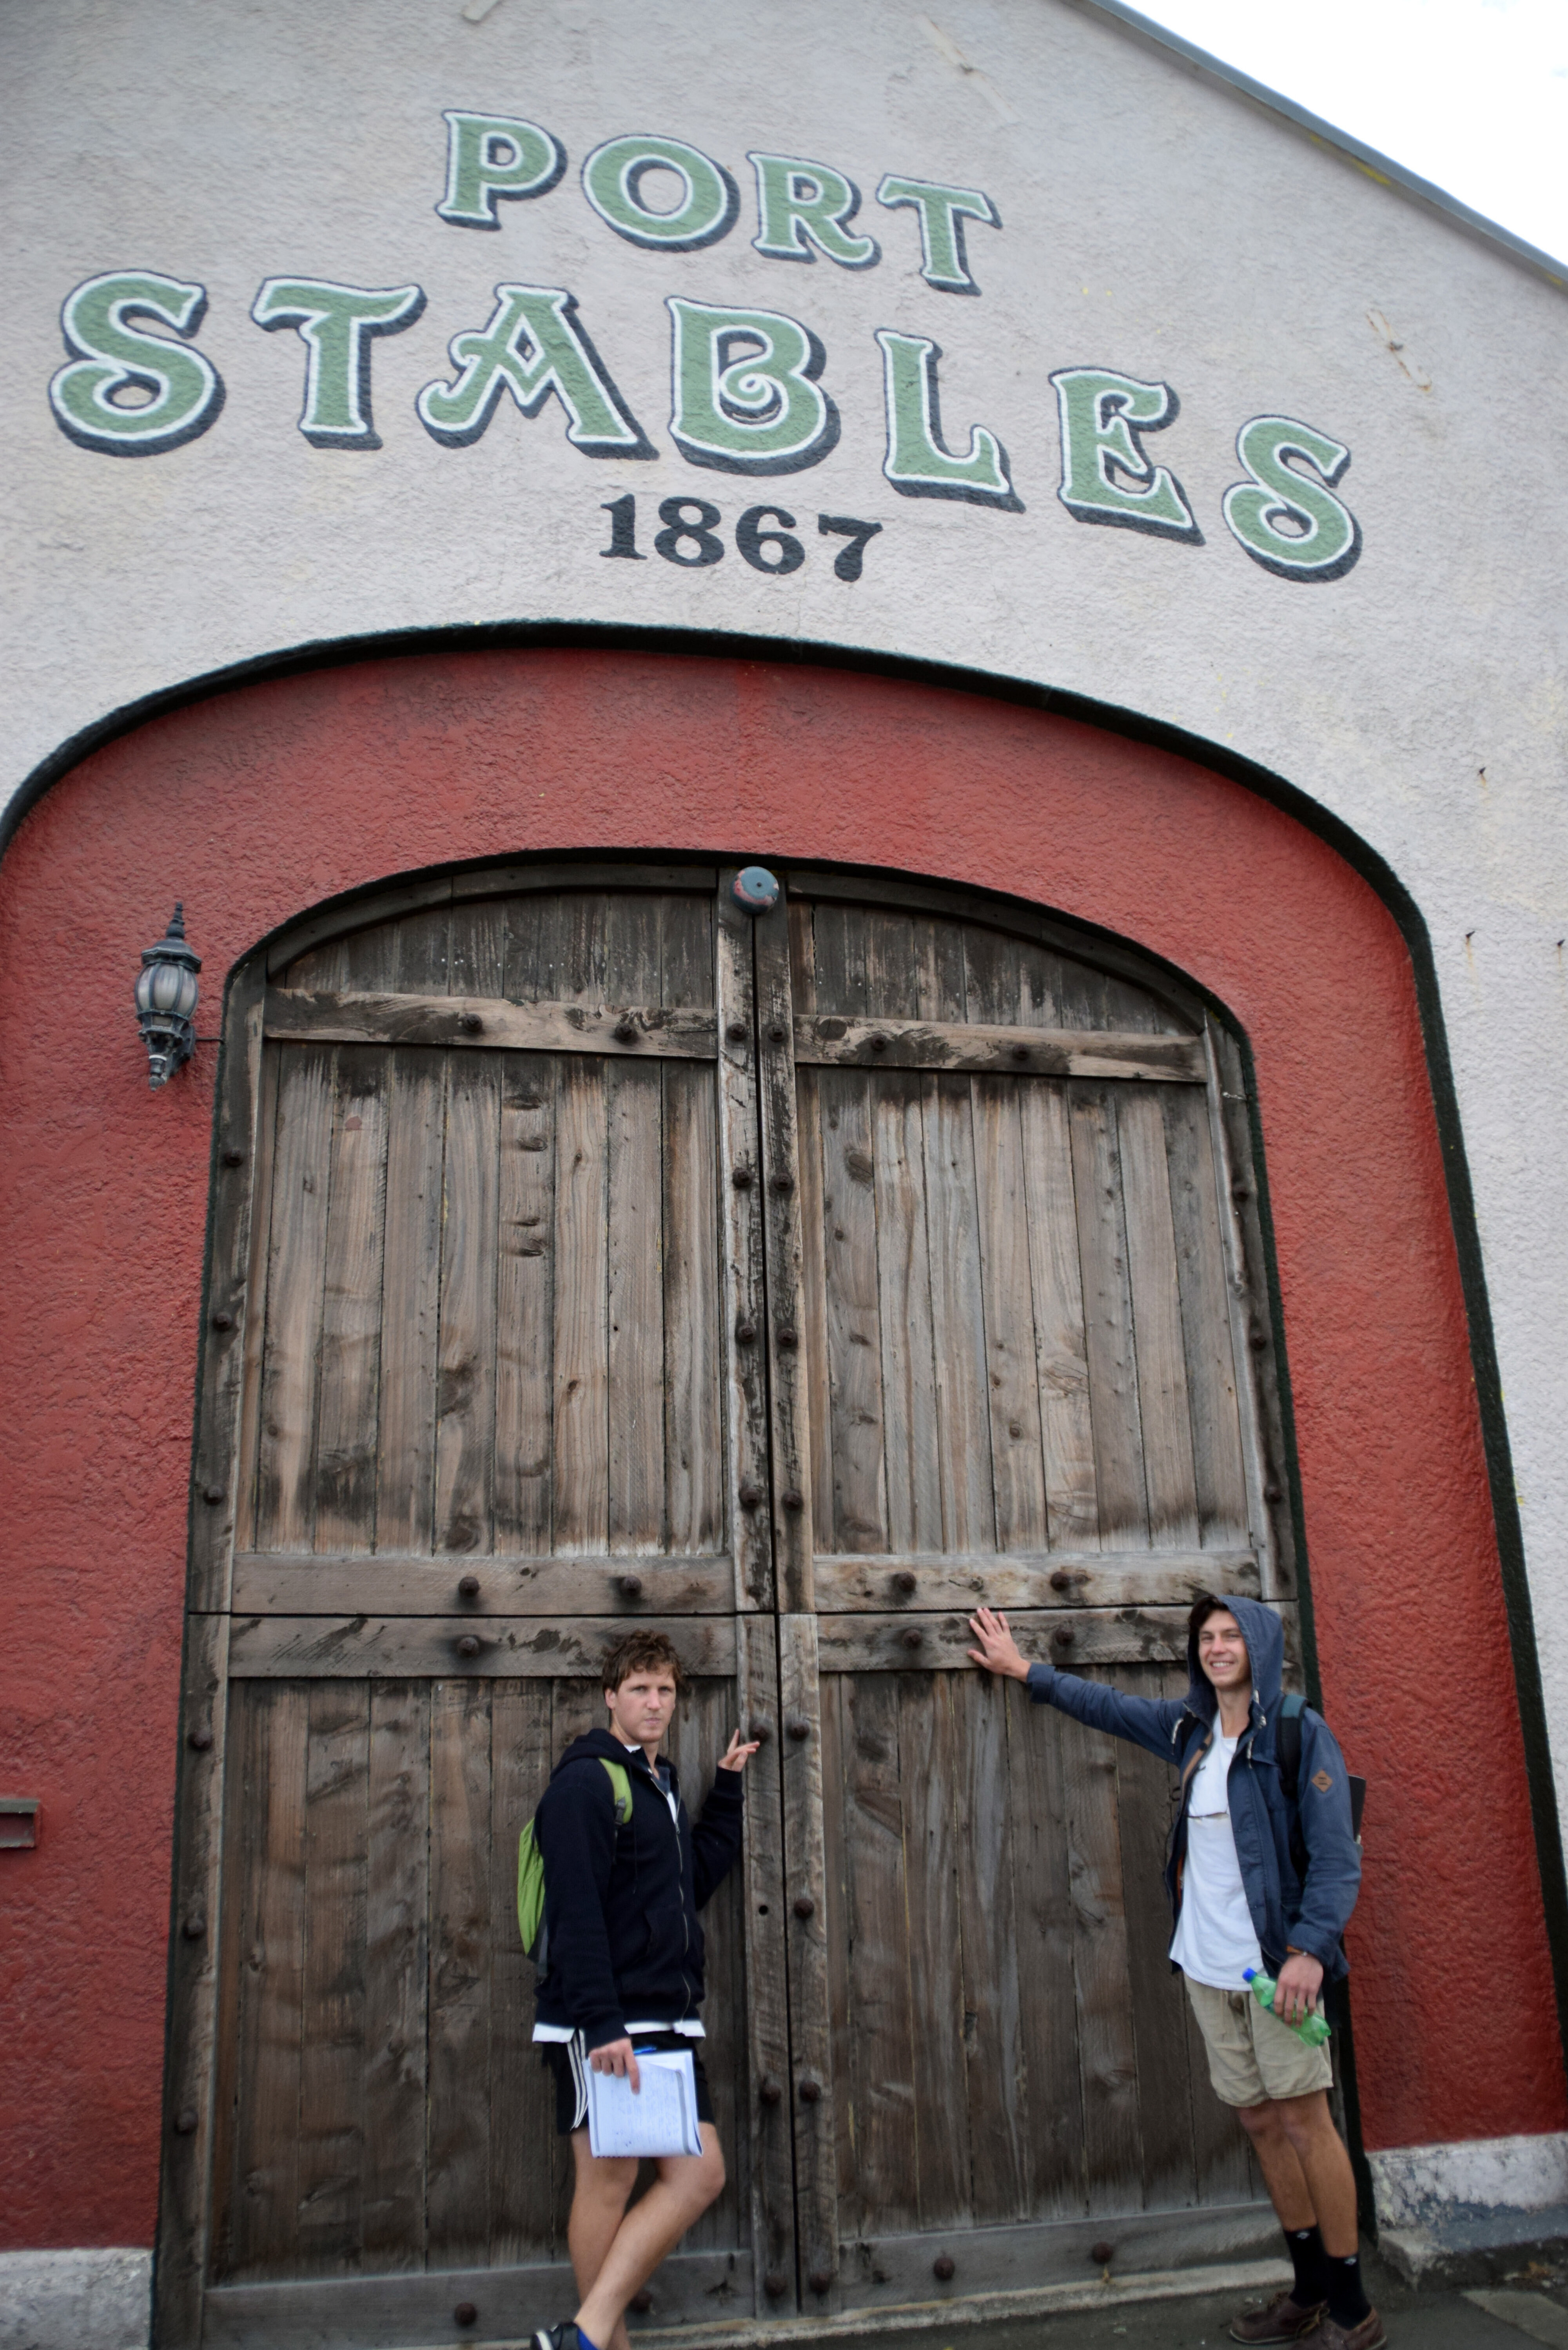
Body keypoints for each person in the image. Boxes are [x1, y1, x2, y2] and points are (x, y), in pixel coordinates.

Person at [969, 1592, 1378, 2350]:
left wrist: (1310, 1951)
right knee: (1260, 2120)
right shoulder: (1191, 1730)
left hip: (1276, 1967)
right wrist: (1024, 1669)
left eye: (1231, 1636)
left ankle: (1354, 2308)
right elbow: (1109, 1707)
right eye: (1206, 1638)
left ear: (1259, 1646)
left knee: (1304, 2119)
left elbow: (1335, 1856)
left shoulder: (1298, 1731)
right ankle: (1309, 2288)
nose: (1216, 1648)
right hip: (1207, 1964)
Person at [529, 1630, 758, 2350]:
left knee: (699, 2174)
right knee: (609, 2180)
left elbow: (688, 1885)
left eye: (665, 1690)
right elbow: (575, 1911)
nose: (654, 1702)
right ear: (611, 1696)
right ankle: (602, 2343)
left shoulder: (659, 1784)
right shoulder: (585, 1784)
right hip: (607, 2021)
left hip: (664, 2017)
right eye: (639, 1689)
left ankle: (586, 2337)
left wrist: (726, 1792)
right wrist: (602, 2022)